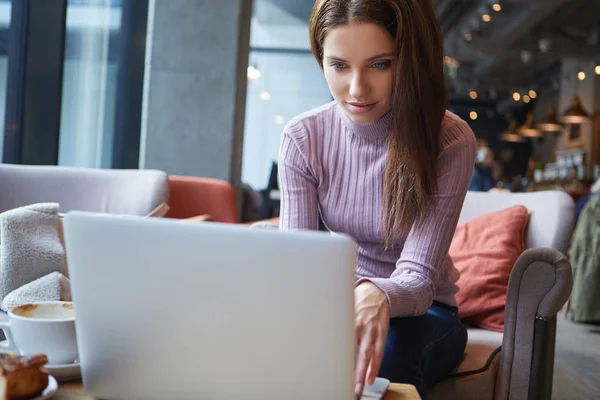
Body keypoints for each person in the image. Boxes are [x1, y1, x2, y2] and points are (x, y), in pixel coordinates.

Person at [277, 0, 476, 398]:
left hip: (428, 313)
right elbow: (296, 267)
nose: (356, 89)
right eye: (338, 65)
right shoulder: (302, 139)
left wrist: (375, 293)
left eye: (380, 64)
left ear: (411, 60)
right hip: (340, 303)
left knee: (383, 354)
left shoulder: (449, 140)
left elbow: (418, 282)